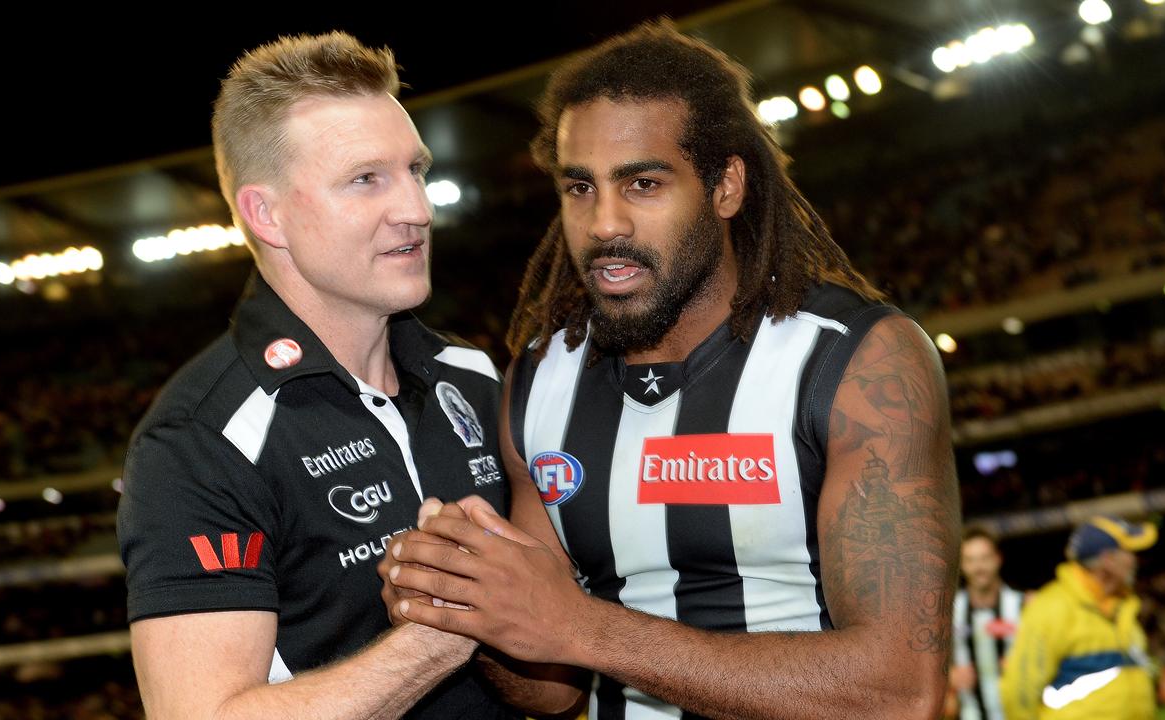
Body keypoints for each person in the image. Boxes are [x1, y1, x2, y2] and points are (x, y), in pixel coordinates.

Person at [380, 21, 960, 720]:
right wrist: (464, 604)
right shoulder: (540, 381)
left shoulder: (856, 362)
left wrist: (585, 626)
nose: (605, 224)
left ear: (725, 187)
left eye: (644, 183)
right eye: (580, 188)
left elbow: (900, 692)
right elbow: (552, 687)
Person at [116, 31, 515, 720]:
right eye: (367, 179)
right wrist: (435, 639)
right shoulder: (202, 439)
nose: (417, 210)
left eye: (414, 170)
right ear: (266, 215)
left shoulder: (473, 377)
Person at [1000, 516, 1157, 720]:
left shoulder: (1124, 607)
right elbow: (1019, 693)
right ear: (1107, 559)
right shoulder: (1051, 608)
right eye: (1129, 552)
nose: (1136, 561)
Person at [951, 527, 1025, 720]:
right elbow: (920, 661)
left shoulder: (1023, 605)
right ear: (961, 565)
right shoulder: (950, 612)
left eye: (984, 558)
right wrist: (948, 676)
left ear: (998, 559)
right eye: (970, 560)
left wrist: (1024, 665)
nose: (979, 567)